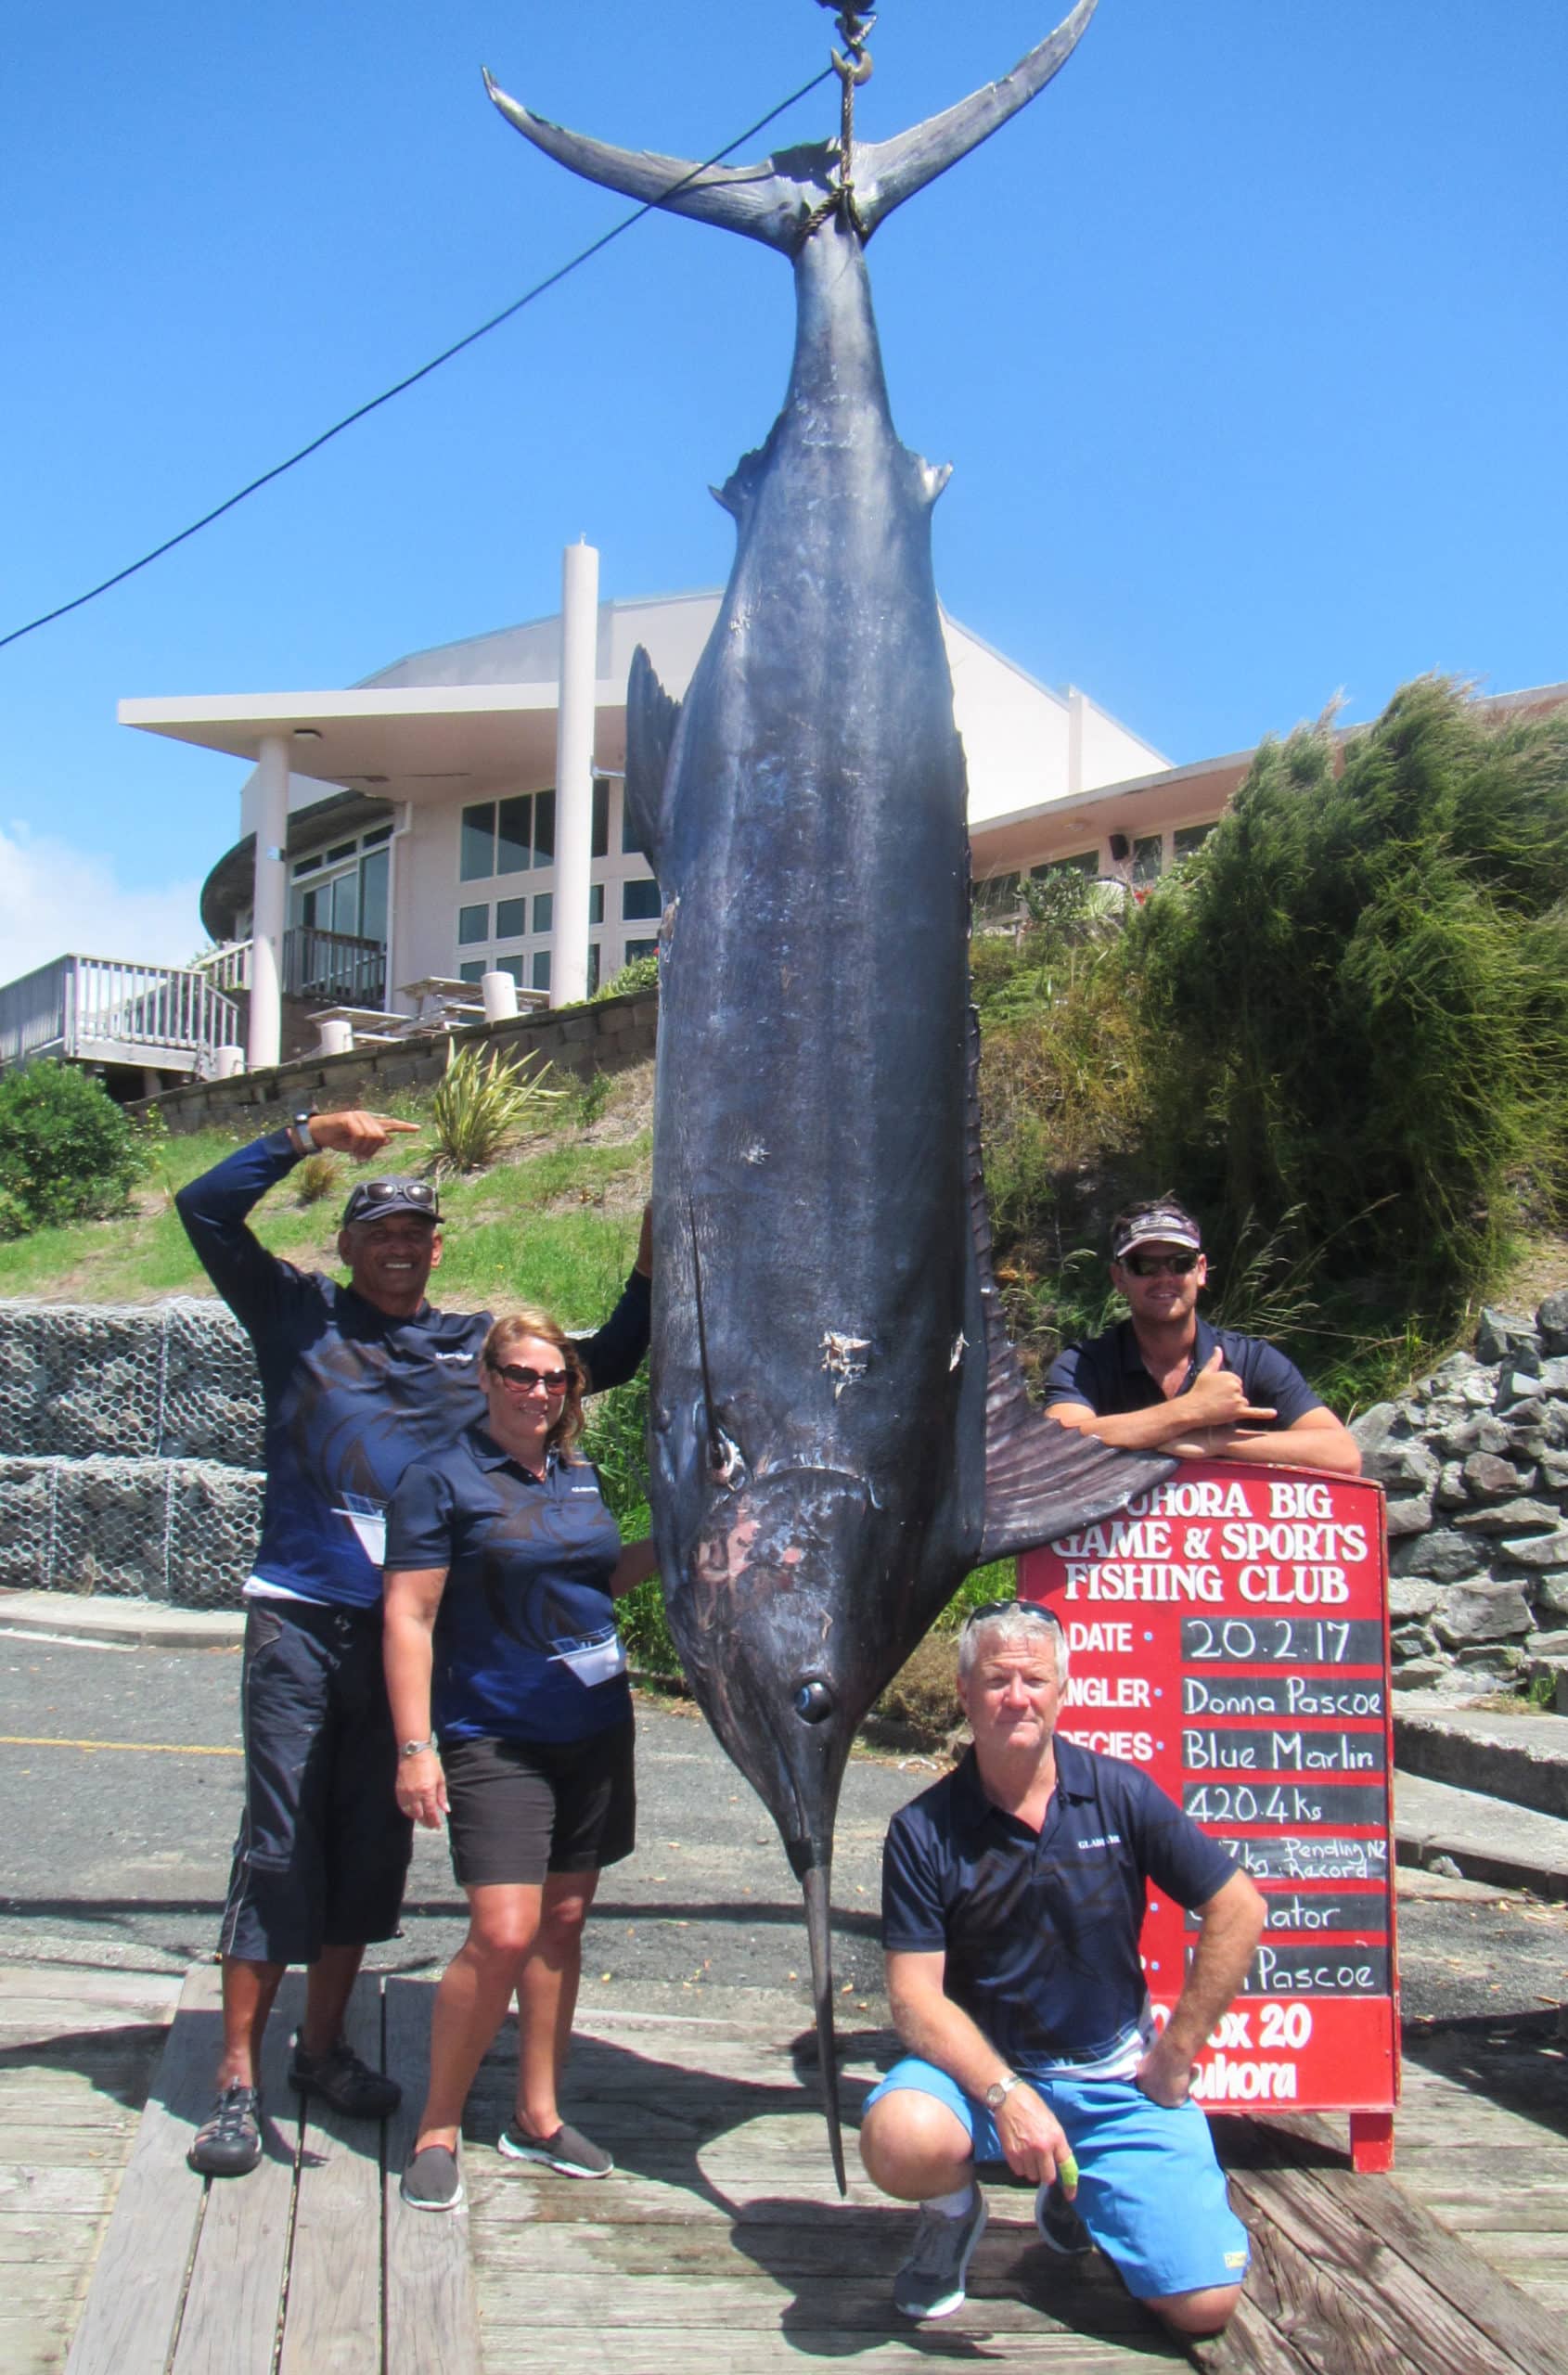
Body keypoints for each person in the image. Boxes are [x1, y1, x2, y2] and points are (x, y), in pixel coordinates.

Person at [174, 1108, 651, 2178]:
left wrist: (654, 1260)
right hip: (304, 1618)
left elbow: (605, 1358)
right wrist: (306, 1134)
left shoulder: (474, 1354)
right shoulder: (296, 1314)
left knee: (369, 1846)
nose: (397, 1246)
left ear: (439, 1249)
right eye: (378, 1231)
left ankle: (322, 2047)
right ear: (346, 1245)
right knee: (280, 1843)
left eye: (416, 1233)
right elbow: (202, 1210)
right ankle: (236, 2082)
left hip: (418, 1642)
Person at [859, 1598, 1265, 2339]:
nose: (1017, 1698)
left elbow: (1239, 1908)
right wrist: (1007, 2094)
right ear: (964, 1693)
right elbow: (914, 2000)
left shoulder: (1120, 1793)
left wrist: (1177, 2054)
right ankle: (952, 2213)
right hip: (982, 2078)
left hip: (1112, 2079)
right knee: (898, 2136)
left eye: (1035, 1680)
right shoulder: (920, 1830)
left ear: (1062, 1691)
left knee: (1204, 2308)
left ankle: (1080, 2193)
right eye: (996, 1680)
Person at [383, 1307, 659, 2213]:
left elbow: (595, 1578)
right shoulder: (440, 1478)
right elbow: (410, 1615)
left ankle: (537, 2116)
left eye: (555, 1378)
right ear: (487, 1378)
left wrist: (679, 1548)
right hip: (493, 1732)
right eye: (521, 1375)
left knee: (563, 1922)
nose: (539, 1392)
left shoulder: (576, 1472)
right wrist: (415, 1747)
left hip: (594, 1727)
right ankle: (435, 2125)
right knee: (504, 1930)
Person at [1045, 1198, 1360, 1475]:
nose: (1164, 1277)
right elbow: (1051, 1454)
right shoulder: (1082, 1366)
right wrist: (1189, 1412)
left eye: (1179, 1263)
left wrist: (1218, 1441)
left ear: (1201, 1270)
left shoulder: (1252, 1360)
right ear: (1119, 1278)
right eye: (1144, 1266)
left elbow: (1343, 1456)